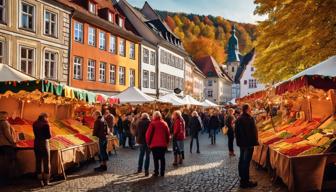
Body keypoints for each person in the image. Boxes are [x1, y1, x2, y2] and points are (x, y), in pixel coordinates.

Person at [235, 104, 258, 188]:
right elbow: (252, 132)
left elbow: (236, 132)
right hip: (248, 144)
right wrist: (253, 142)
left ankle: (242, 179)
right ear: (248, 109)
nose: (251, 110)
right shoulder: (249, 119)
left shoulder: (239, 119)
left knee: (241, 161)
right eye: (250, 109)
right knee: (246, 162)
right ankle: (245, 181)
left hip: (242, 144)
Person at [146, 111, 170, 177]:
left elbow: (148, 135)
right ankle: (162, 172)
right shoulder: (164, 123)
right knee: (162, 158)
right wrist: (167, 142)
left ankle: (156, 172)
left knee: (155, 159)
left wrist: (148, 143)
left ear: (154, 116)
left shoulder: (152, 124)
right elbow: (168, 134)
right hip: (163, 144)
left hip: (154, 145)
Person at [33, 113, 52, 186]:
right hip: (44, 144)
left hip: (36, 143)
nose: (48, 119)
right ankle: (46, 180)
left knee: (38, 162)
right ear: (45, 117)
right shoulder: (46, 124)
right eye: (47, 117)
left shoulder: (34, 123)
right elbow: (49, 136)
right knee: (46, 162)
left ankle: (40, 181)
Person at [0, 111, 17, 181]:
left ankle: (3, 176)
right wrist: (13, 142)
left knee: (3, 161)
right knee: (11, 160)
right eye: (6, 115)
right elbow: (8, 135)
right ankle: (10, 177)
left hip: (1, 145)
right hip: (6, 144)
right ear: (4, 116)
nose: (8, 116)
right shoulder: (5, 123)